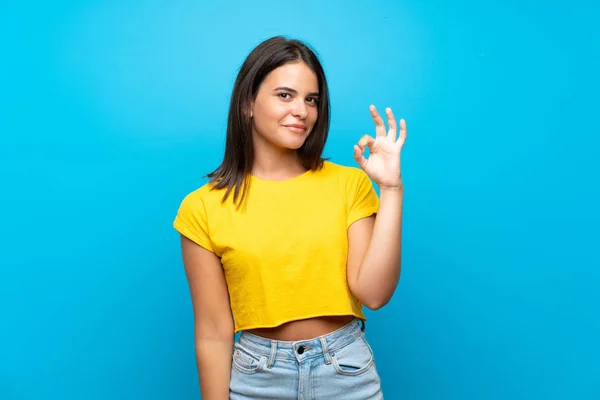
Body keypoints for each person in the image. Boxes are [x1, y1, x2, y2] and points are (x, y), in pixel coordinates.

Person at [173, 35, 406, 399]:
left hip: (345, 372)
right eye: (285, 95)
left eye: (311, 100)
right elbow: (213, 332)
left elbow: (374, 295)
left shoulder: (349, 184)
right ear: (248, 103)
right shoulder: (202, 207)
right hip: (256, 378)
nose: (302, 110)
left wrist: (391, 190)